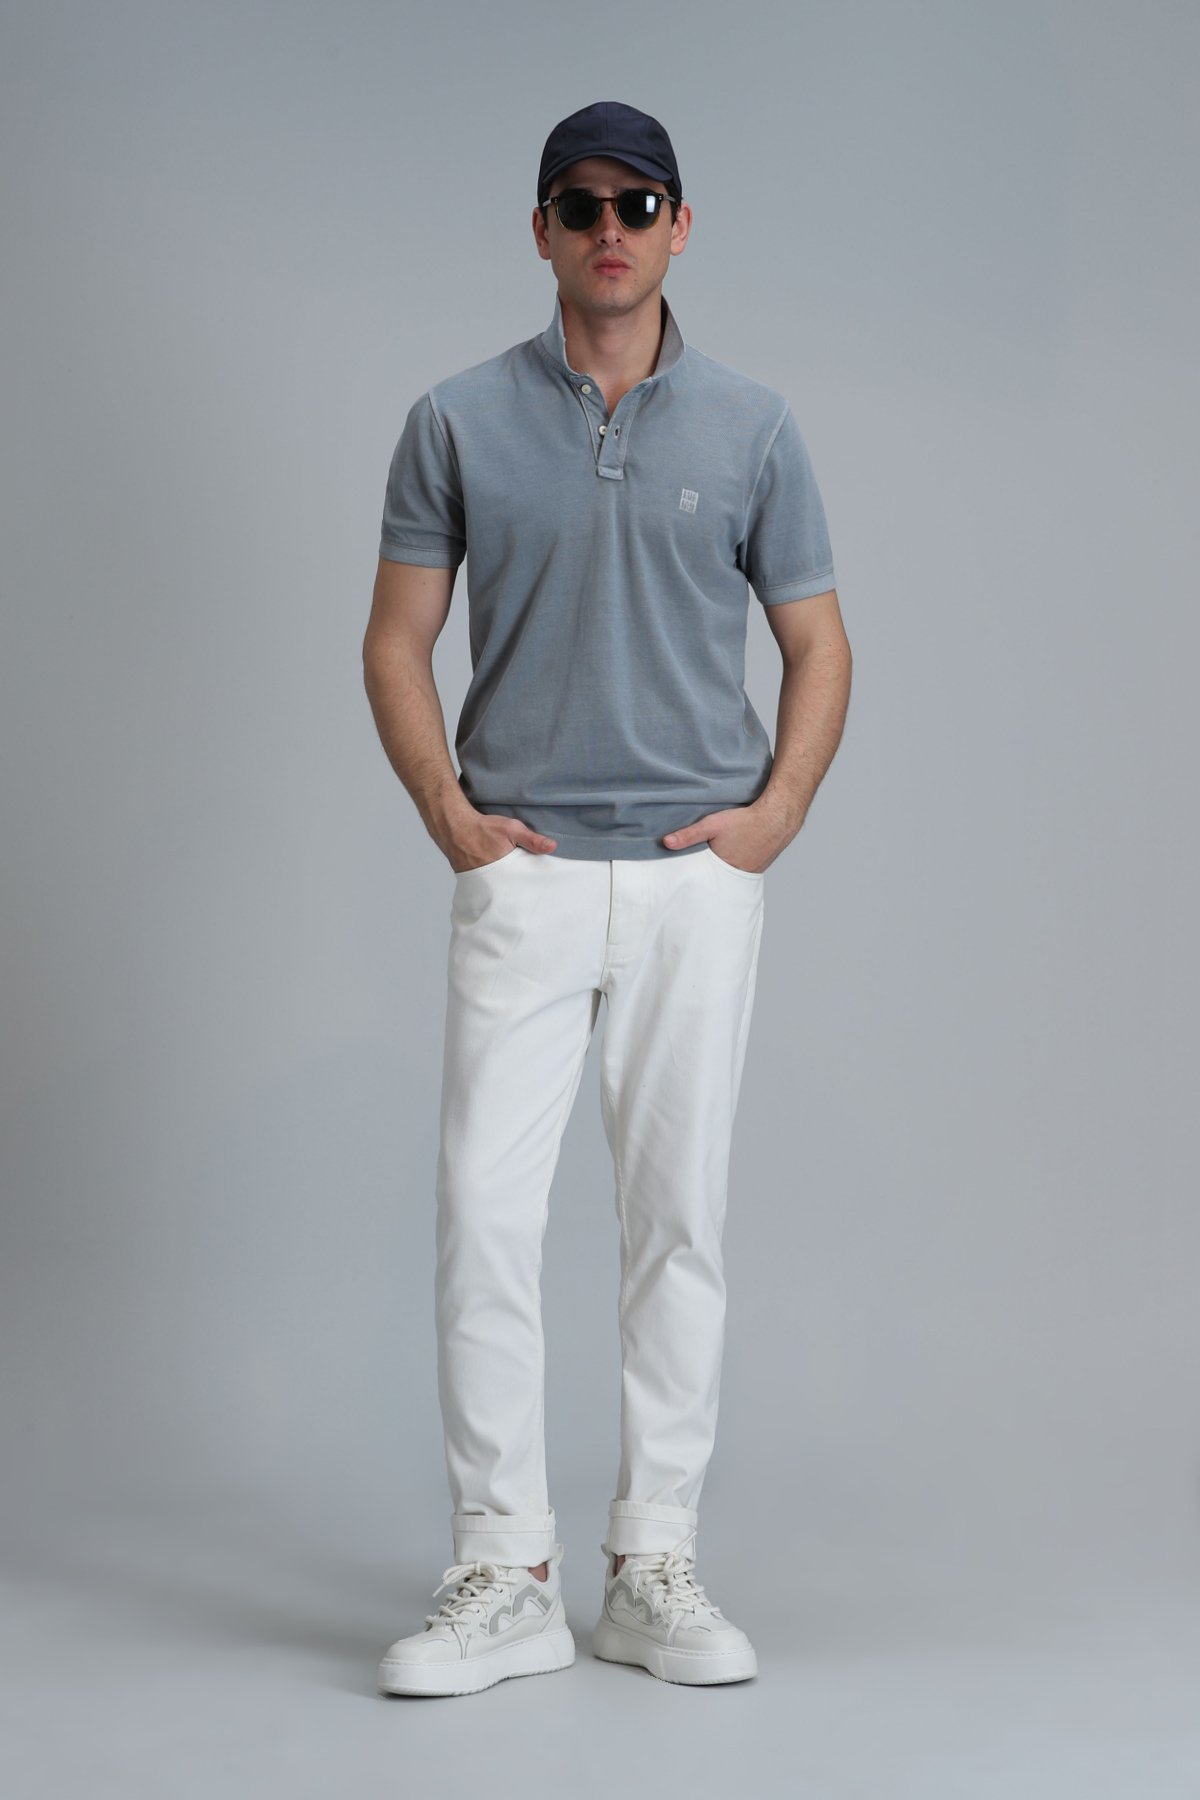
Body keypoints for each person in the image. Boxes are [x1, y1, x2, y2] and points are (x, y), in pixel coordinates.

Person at [363, 99, 852, 1697]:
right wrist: (450, 815)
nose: (611, 229)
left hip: (695, 885)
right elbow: (395, 638)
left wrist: (774, 816)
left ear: (681, 226)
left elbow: (818, 642)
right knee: (484, 1223)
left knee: (678, 1225)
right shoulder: (455, 420)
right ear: (543, 230)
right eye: (581, 205)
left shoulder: (755, 428)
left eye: (640, 204)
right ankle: (504, 1569)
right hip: (528, 879)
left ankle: (654, 1566)